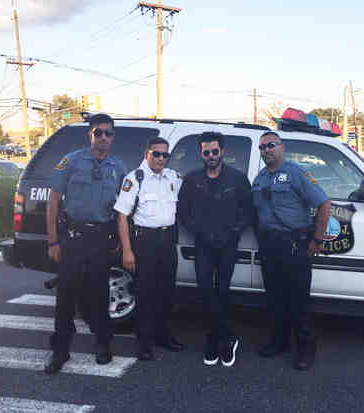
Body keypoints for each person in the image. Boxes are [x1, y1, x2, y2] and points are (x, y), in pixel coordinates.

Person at [45, 113, 127, 375]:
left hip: (101, 237)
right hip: (72, 237)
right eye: (98, 132)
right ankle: (60, 350)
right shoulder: (72, 161)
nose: (103, 137)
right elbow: (53, 202)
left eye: (108, 133)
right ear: (89, 134)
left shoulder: (118, 166)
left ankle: (103, 344)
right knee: (66, 294)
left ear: (113, 137)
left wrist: (119, 238)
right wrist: (53, 241)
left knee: (99, 294)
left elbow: (123, 206)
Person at [252, 131, 331, 371]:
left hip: (295, 245)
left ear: (281, 147)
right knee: (275, 298)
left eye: (271, 145)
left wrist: (317, 239)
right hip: (269, 245)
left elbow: (324, 203)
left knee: (298, 300)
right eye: (262, 147)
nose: (266, 150)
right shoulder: (260, 178)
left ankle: (306, 348)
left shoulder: (296, 174)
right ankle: (279, 342)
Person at [177, 131, 253, 367]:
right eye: (206, 152)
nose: (211, 155)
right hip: (203, 244)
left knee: (222, 290)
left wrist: (233, 232)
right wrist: (199, 231)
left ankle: (216, 338)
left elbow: (248, 210)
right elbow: (183, 211)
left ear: (222, 152)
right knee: (204, 290)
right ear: (201, 153)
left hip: (228, 244)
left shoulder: (238, 179)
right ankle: (224, 337)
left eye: (215, 151)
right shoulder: (192, 180)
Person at [114, 137, 184, 361]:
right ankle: (144, 343)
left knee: (167, 292)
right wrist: (127, 250)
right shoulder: (135, 179)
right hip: (144, 242)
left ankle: (163, 335)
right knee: (145, 294)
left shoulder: (172, 177)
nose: (161, 158)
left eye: (165, 155)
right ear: (147, 154)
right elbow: (122, 216)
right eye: (157, 154)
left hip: (167, 240)